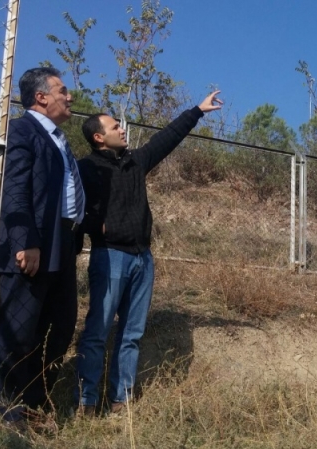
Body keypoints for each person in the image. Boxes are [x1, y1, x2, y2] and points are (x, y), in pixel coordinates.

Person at [74, 91, 223, 416]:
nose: (122, 129)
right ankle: (85, 402)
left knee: (132, 334)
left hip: (143, 259)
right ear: (99, 137)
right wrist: (98, 228)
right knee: (97, 332)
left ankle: (120, 401)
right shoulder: (85, 168)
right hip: (109, 257)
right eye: (115, 127)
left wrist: (197, 111)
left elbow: (167, 139)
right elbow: (73, 208)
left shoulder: (134, 162)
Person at [0, 67, 84, 429]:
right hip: (34, 242)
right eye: (62, 90)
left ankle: (32, 405)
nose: (69, 97)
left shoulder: (58, 137)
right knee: (17, 328)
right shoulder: (23, 129)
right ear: (41, 97)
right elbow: (15, 191)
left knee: (58, 325)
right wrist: (27, 241)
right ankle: (0, 414)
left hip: (62, 242)